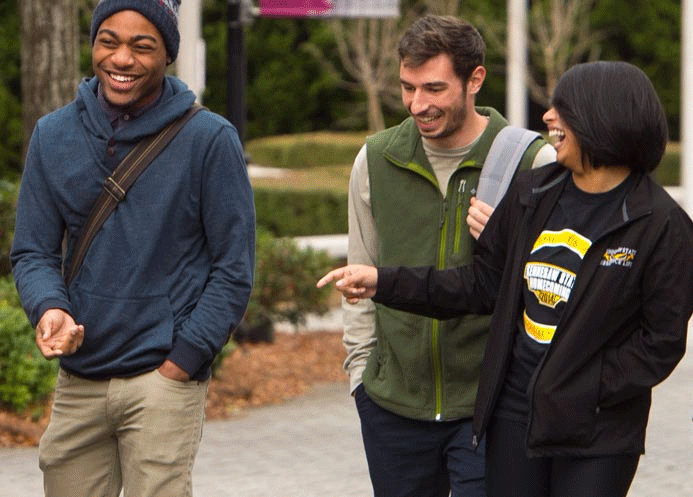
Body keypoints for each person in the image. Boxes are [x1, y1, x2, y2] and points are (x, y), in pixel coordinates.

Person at [320, 60, 693, 497]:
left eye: (563, 109)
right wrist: (383, 282)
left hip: (598, 432)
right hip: (515, 416)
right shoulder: (533, 192)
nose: (549, 118)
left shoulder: (663, 225)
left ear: (602, 118)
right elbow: (478, 285)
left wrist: (587, 388)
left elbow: (661, 343)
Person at [10, 0, 255, 495]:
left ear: (167, 54)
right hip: (80, 376)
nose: (122, 59)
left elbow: (233, 269)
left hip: (163, 379)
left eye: (142, 46)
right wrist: (49, 307)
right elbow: (33, 251)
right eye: (108, 41)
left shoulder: (209, 139)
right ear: (94, 43)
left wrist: (183, 360)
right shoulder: (53, 134)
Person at [341, 14, 555, 497]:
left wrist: (510, 239)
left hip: (492, 407)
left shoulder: (532, 163)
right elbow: (359, 278)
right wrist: (361, 377)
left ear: (474, 79)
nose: (418, 104)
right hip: (392, 408)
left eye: (434, 88)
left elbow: (554, 288)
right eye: (407, 87)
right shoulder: (375, 160)